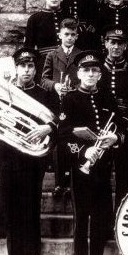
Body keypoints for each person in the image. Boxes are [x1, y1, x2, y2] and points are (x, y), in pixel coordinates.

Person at [59, 50, 122, 255]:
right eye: (86, 70)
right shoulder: (70, 99)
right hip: (80, 167)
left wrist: (116, 139)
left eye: (95, 70)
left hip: (102, 167)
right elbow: (63, 135)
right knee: (81, 218)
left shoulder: (107, 98)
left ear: (100, 74)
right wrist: (84, 150)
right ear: (78, 73)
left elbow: (121, 127)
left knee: (99, 217)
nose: (91, 74)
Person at [0, 48, 57, 255]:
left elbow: (59, 120)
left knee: (30, 211)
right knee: (10, 211)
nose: (27, 70)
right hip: (7, 158)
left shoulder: (45, 94)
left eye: (31, 66)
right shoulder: (5, 93)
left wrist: (48, 127)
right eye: (23, 66)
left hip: (32, 160)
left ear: (36, 68)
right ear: (16, 68)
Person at [98, 25, 128, 207]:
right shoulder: (97, 69)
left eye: (120, 43)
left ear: (125, 46)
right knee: (102, 176)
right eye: (112, 42)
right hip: (103, 127)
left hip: (126, 128)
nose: (115, 47)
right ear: (106, 44)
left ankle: (121, 216)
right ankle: (105, 221)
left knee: (126, 176)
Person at [41, 18, 82, 195]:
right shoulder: (52, 55)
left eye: (73, 35)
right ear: (60, 35)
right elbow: (43, 80)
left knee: (72, 141)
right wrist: (56, 86)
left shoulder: (80, 55)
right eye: (66, 34)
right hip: (56, 105)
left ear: (77, 36)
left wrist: (74, 90)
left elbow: (85, 79)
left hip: (73, 104)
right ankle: (59, 183)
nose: (69, 38)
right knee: (58, 143)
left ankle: (71, 181)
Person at [24, 0, 69, 77]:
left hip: (67, 64)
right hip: (44, 66)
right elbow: (28, 48)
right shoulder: (34, 19)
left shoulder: (68, 18)